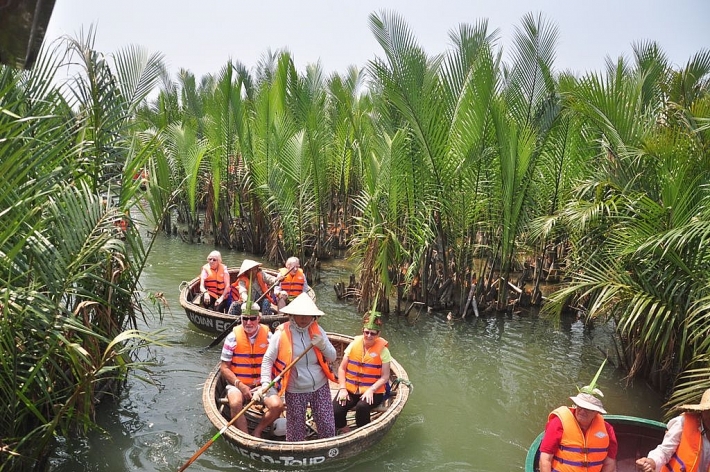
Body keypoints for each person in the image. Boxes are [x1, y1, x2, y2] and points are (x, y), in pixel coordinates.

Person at [257, 292, 337, 441]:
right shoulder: (281, 333)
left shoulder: (318, 331)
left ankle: (326, 450)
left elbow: (332, 356)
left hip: (320, 385)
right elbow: (268, 359)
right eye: (299, 315)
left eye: (308, 315)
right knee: (295, 431)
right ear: (292, 315)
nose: (303, 319)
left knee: (326, 425)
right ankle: (296, 455)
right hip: (295, 388)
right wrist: (265, 382)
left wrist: (323, 345)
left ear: (313, 317)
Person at [219, 311, 284, 437]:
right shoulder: (232, 337)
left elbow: (279, 360)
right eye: (245, 319)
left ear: (259, 318)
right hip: (238, 383)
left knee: (277, 406)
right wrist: (240, 385)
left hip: (263, 384)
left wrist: (267, 385)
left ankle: (257, 431)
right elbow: (224, 368)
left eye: (252, 318)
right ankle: (246, 437)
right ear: (241, 319)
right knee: (235, 403)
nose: (248, 322)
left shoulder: (269, 336)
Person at [333, 309, 391, 434]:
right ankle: (345, 430)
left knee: (362, 407)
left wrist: (372, 389)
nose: (369, 336)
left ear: (378, 334)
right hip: (350, 389)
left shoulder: (383, 351)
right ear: (363, 331)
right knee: (336, 409)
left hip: (373, 391)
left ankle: (362, 432)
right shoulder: (353, 345)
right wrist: (342, 388)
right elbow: (342, 369)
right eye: (367, 332)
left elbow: (385, 377)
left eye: (373, 333)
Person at [539, 391, 618, 472]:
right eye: (580, 406)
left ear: (597, 412)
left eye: (588, 409)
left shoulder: (607, 429)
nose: (582, 411)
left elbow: (609, 462)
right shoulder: (558, 423)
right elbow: (545, 458)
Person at [635, 388, 710, 472]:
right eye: (709, 411)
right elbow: (664, 451)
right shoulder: (683, 423)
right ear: (702, 411)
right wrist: (652, 462)